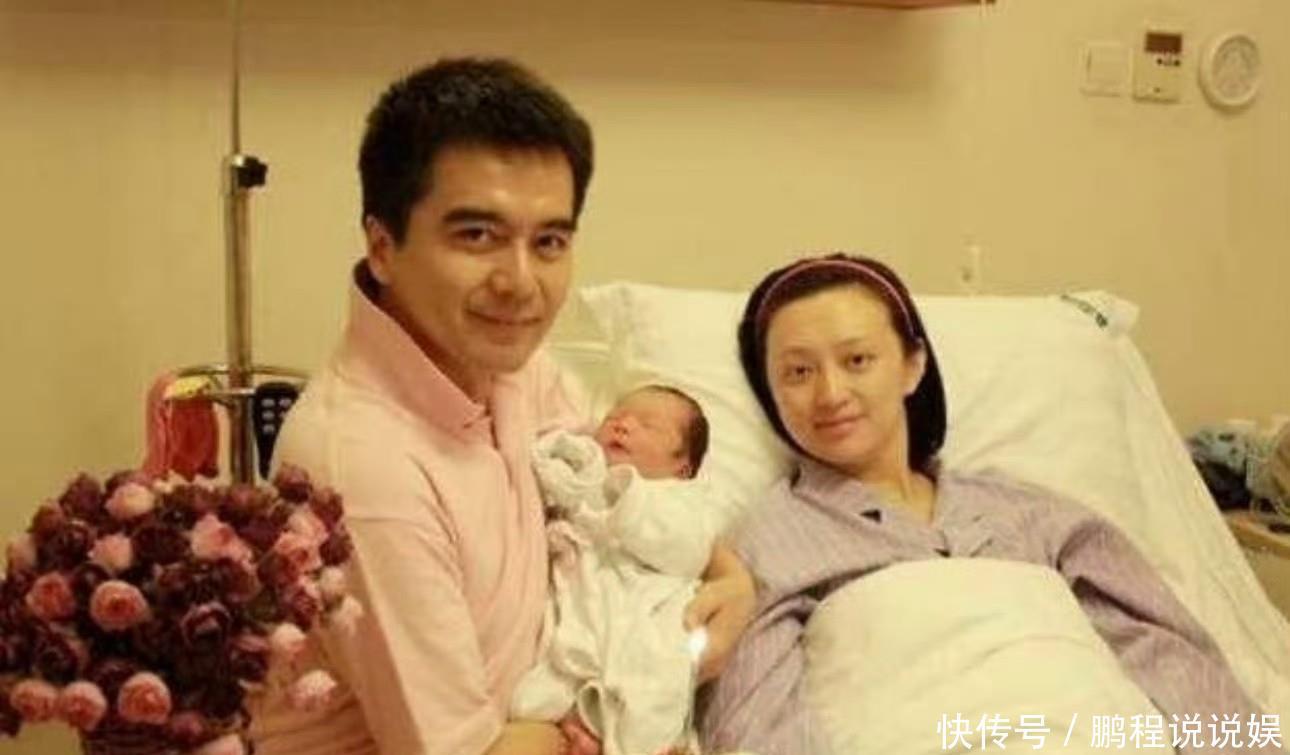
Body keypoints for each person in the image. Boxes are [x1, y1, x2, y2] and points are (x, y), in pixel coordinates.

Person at [254, 58, 754, 755]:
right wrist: (567, 732)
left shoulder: (506, 364)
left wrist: (732, 579)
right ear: (383, 246)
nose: (520, 282)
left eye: (548, 242)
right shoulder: (365, 472)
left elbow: (606, 484)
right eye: (477, 235)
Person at [697, 253, 1271, 755]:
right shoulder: (767, 541)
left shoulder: (1033, 513)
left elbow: (1169, 654)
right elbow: (755, 720)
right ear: (772, 395)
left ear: (913, 366)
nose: (830, 393)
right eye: (798, 372)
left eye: (857, 360)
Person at [511, 385, 718, 755]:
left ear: (682, 467)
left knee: (648, 704)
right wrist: (566, 469)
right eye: (615, 416)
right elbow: (551, 484)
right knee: (532, 700)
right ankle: (579, 730)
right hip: (576, 627)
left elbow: (688, 552)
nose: (623, 424)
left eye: (648, 425)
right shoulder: (587, 480)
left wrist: (627, 498)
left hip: (645, 629)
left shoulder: (683, 500)